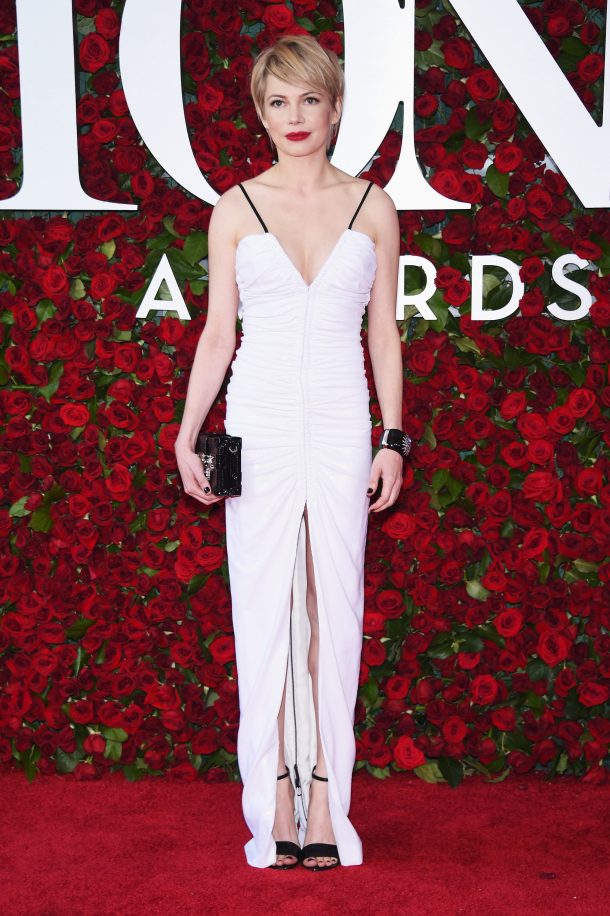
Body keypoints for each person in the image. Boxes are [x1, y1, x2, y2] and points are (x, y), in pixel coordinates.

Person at [175, 33, 405, 871]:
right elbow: (217, 336)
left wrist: (393, 439)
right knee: (265, 608)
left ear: (336, 107)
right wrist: (185, 431)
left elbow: (384, 332)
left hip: (345, 426)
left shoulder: (372, 206)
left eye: (309, 98)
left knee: (331, 614)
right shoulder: (235, 207)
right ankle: (274, 793)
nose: (295, 116)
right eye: (278, 102)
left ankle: (325, 800)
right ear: (260, 114)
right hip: (259, 423)